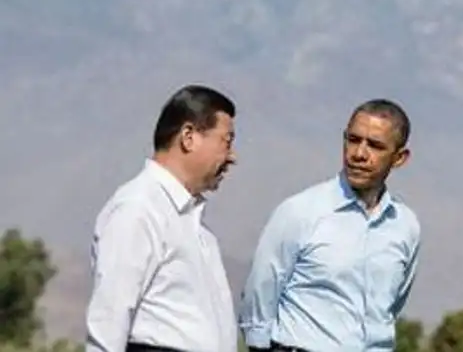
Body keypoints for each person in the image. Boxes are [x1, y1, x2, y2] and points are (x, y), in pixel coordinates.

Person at [239, 98, 421, 352]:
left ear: (399, 158)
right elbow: (260, 291)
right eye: (353, 140)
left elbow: (393, 304)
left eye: (375, 146)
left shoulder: (404, 226)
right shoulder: (301, 212)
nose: (359, 154)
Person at [85, 84, 239, 352]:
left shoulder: (194, 226)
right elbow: (109, 318)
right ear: (189, 137)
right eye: (226, 142)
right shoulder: (139, 209)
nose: (232, 157)